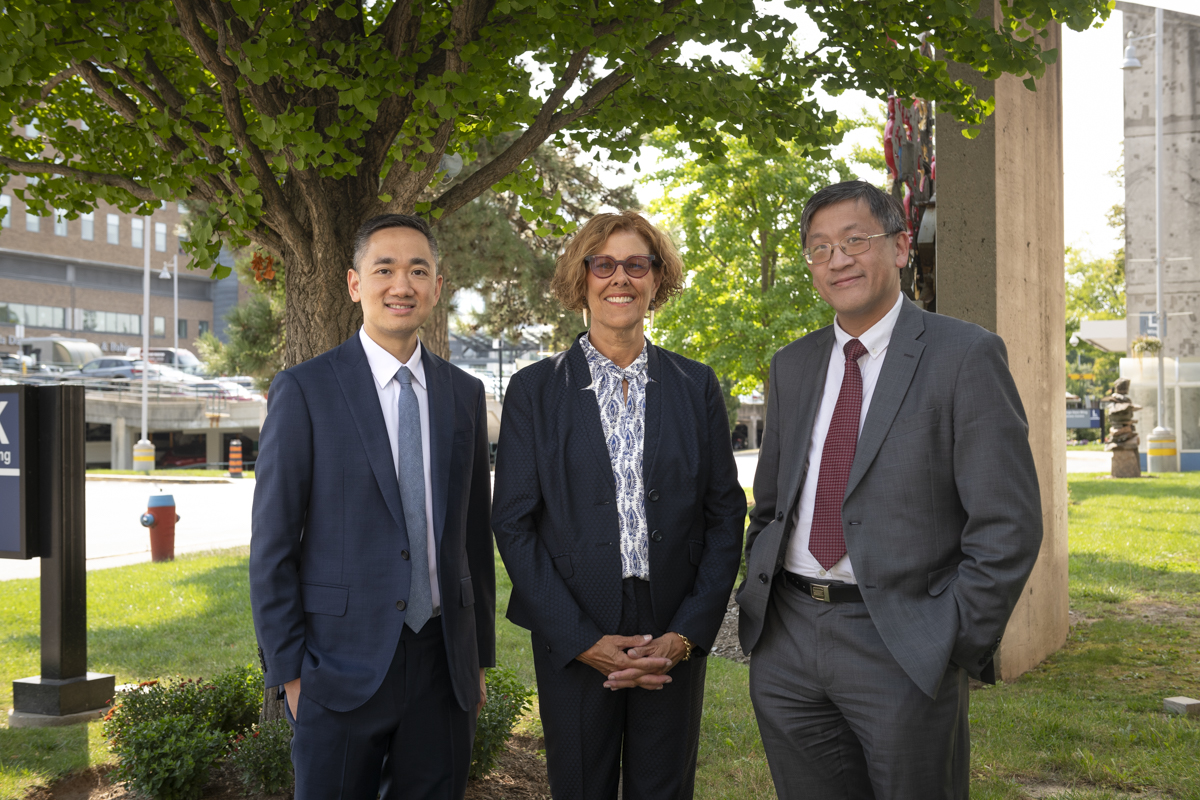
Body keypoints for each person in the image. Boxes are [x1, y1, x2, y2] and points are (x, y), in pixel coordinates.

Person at [737, 180, 1043, 799]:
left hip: (902, 639)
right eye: (820, 249)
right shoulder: (791, 365)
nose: (838, 260)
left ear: (901, 248)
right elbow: (769, 506)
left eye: (856, 241)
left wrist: (949, 639)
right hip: (788, 639)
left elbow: (1007, 524)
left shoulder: (965, 355)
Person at [492, 211, 746, 799]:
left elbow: (724, 515)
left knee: (665, 789)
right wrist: (580, 639)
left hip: (670, 625)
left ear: (657, 279)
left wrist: (686, 635)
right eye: (603, 265)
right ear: (580, 279)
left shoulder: (696, 385)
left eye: (637, 264)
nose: (620, 279)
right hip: (575, 622)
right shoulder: (535, 389)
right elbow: (513, 522)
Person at [250, 214, 495, 800]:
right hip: (337, 668)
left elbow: (472, 537)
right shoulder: (304, 389)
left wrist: (477, 656)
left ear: (438, 287)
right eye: (383, 269)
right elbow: (273, 544)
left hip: (442, 666)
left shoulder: (464, 394)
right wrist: (288, 673)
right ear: (356, 284)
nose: (401, 285)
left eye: (418, 270)